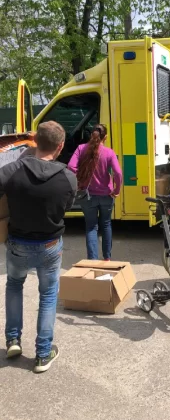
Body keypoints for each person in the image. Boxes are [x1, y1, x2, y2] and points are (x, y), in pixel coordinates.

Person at [1, 121, 77, 373]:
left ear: (34, 141)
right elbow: (65, 208)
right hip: (49, 245)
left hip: (18, 244)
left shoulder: (11, 170)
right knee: (47, 296)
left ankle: (13, 340)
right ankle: (43, 354)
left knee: (14, 285)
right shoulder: (68, 177)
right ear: (60, 146)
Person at [68, 124, 122, 260]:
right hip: (106, 195)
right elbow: (118, 173)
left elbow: (70, 166)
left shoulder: (81, 149)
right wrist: (116, 190)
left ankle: (93, 260)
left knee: (91, 227)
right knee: (106, 224)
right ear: (106, 137)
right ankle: (107, 258)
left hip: (87, 195)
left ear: (92, 135)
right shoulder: (109, 152)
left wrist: (80, 179)